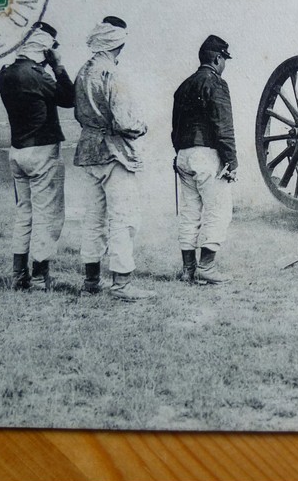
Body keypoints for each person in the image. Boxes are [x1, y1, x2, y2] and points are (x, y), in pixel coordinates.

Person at [74, 17, 156, 301]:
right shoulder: (113, 74)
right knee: (123, 218)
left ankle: (91, 281)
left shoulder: (82, 73)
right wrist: (142, 126)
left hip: (87, 151)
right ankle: (121, 284)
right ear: (117, 43)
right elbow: (124, 120)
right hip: (114, 153)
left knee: (93, 219)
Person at [0, 21, 74, 291]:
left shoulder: (4, 73)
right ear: (45, 48)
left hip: (17, 150)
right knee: (48, 215)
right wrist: (58, 66)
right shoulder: (37, 74)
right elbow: (69, 97)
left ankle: (19, 276)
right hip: (43, 150)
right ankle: (40, 276)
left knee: (24, 214)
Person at [171, 35, 238, 284]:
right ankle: (206, 268)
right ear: (218, 58)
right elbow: (224, 127)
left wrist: (179, 152)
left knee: (189, 212)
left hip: (184, 155)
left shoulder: (184, 85)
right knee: (219, 209)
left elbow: (174, 127)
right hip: (206, 155)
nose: (224, 65)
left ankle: (188, 270)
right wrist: (231, 161)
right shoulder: (216, 83)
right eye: (224, 60)